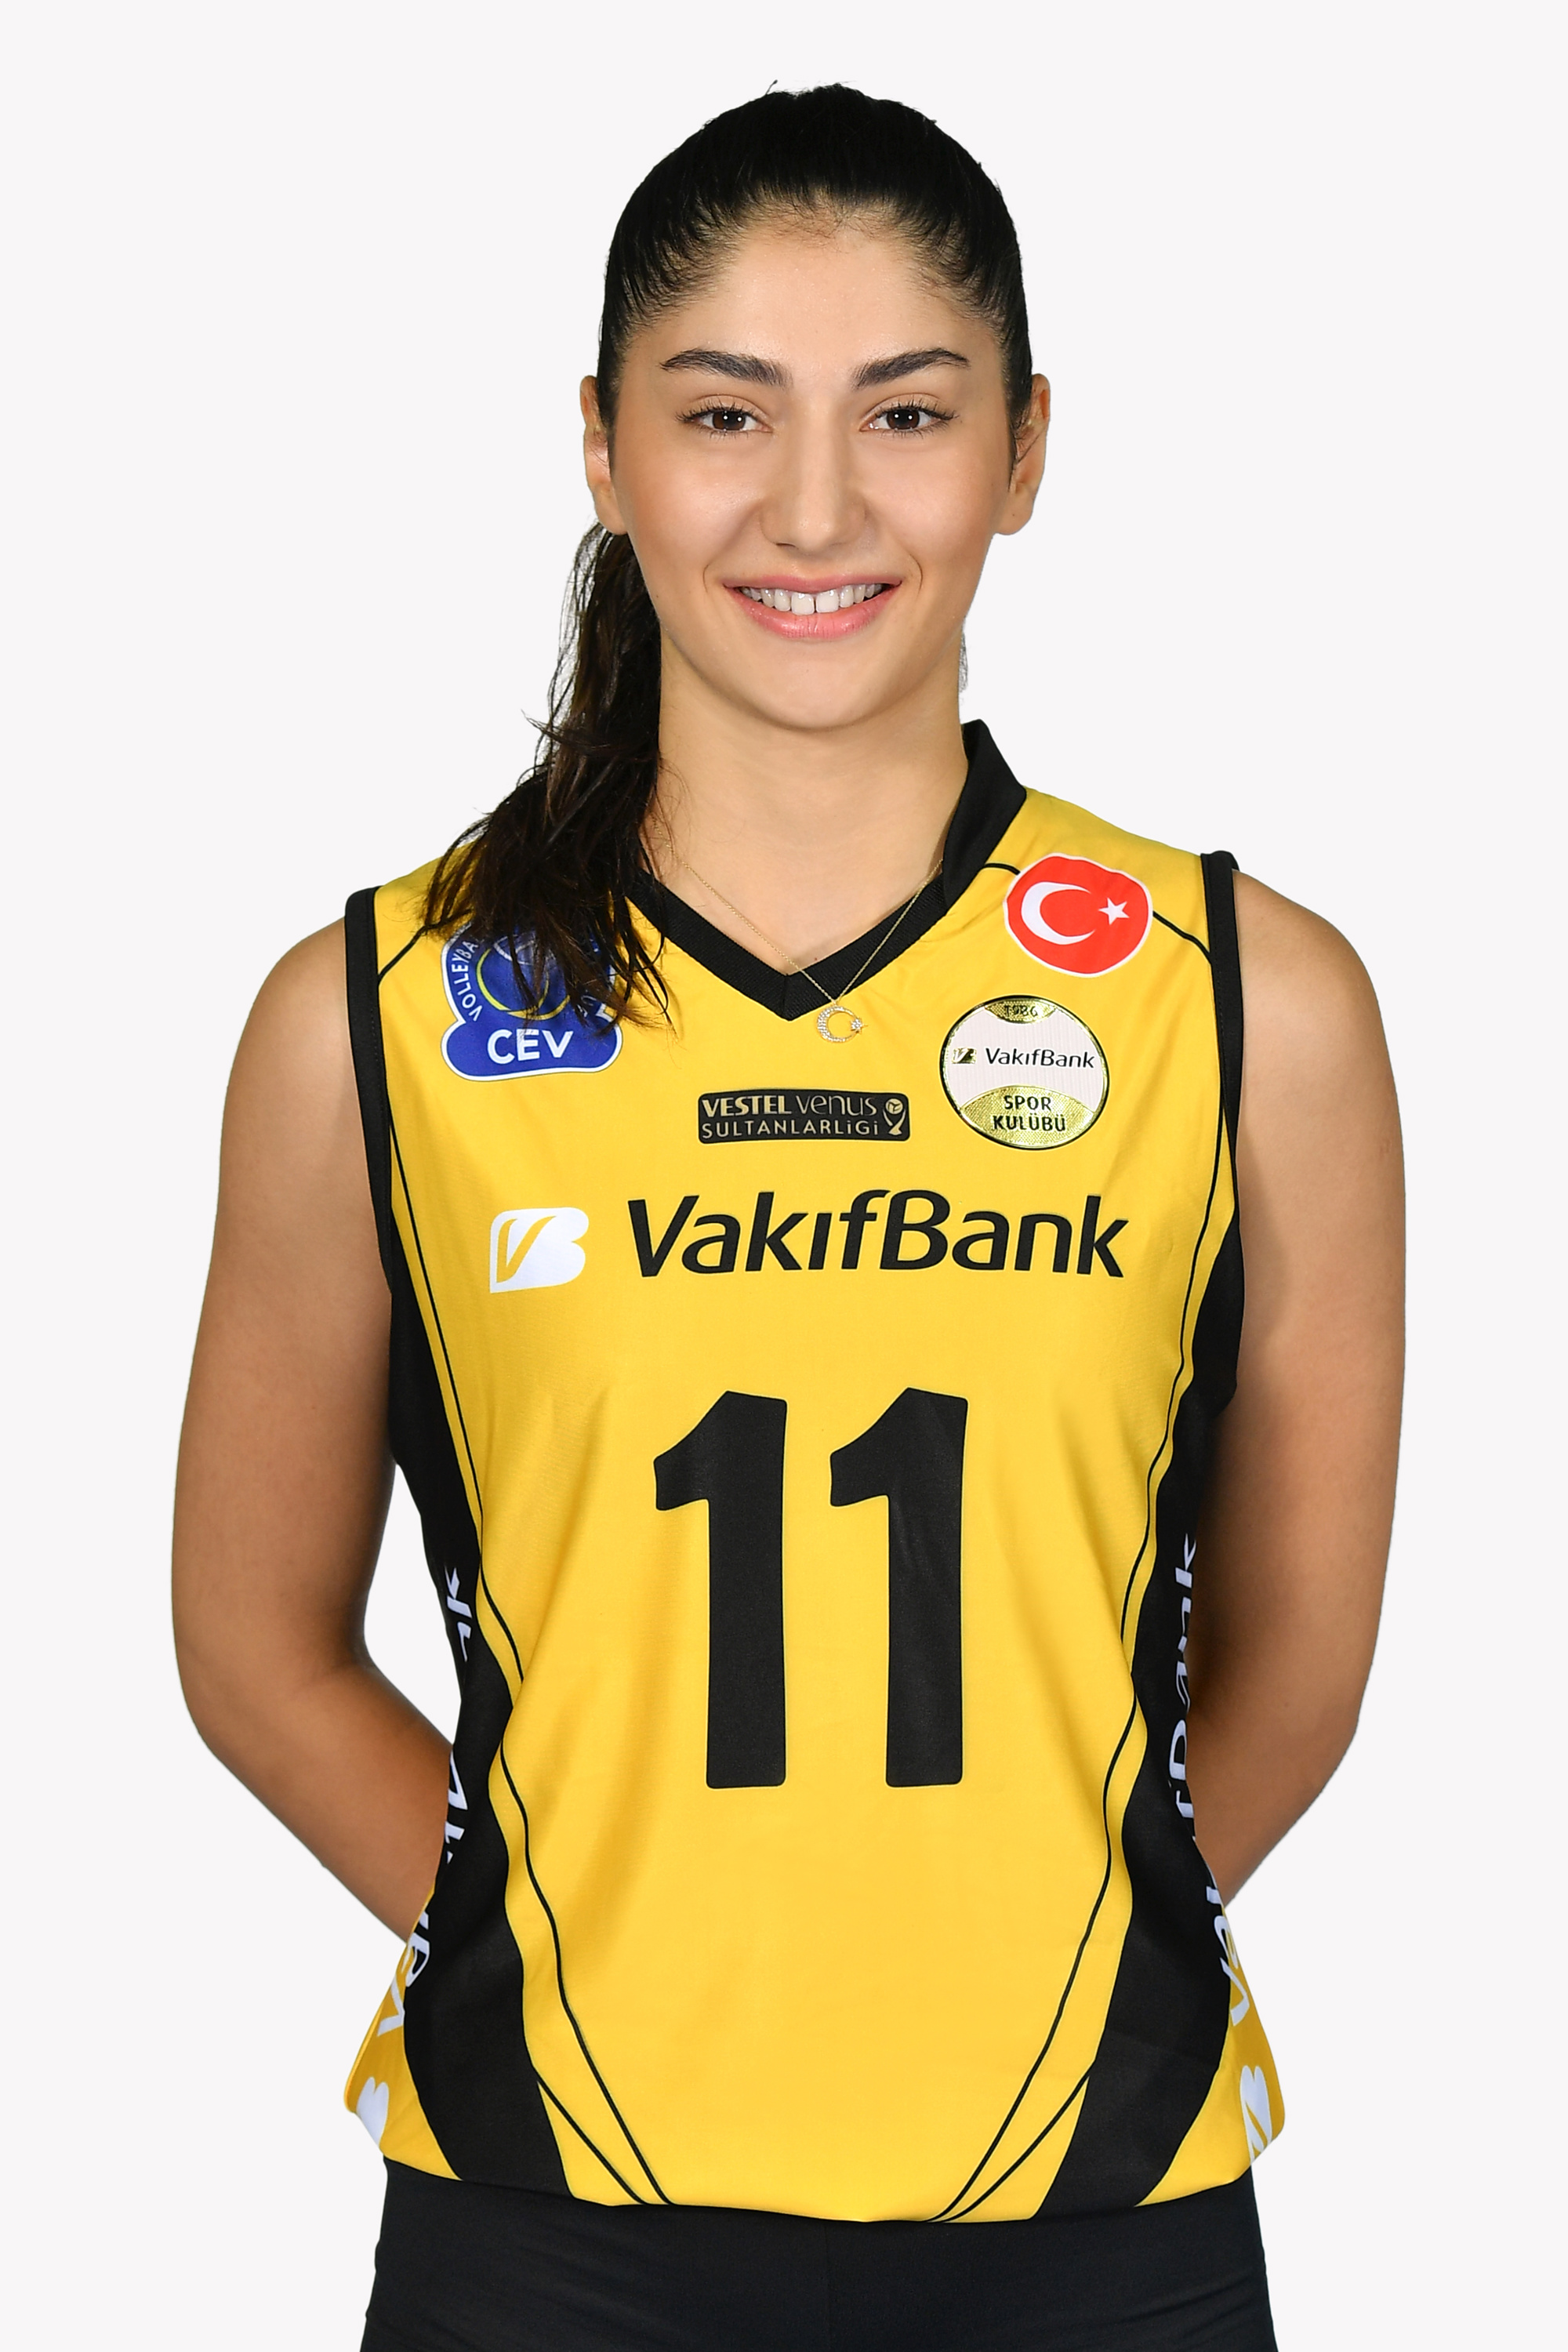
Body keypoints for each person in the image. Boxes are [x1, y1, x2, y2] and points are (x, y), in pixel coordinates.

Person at [172, 84, 1403, 2352]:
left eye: (907, 413)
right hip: (549, 2234)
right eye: (724, 412)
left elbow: (1303, 1669)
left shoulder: (1246, 1002)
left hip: (1099, 2224)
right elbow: (255, 1653)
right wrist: (570, 1935)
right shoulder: (383, 1014)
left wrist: (1020, 1954)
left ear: (1026, 450)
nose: (816, 507)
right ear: (603, 447)